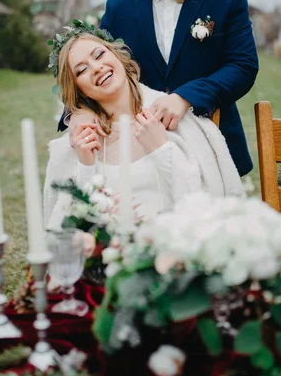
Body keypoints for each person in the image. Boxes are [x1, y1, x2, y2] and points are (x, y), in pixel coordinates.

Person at [82, 0, 258, 177]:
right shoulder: (118, 6)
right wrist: (77, 113)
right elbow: (89, 66)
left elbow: (243, 67)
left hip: (213, 150)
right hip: (139, 155)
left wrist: (186, 97)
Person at [44, 30, 243, 230]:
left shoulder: (173, 118)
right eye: (81, 70)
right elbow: (78, 225)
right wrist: (86, 165)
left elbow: (198, 202)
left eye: (99, 55)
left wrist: (160, 148)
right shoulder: (80, 141)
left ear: (117, 55)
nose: (96, 67)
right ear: (77, 88)